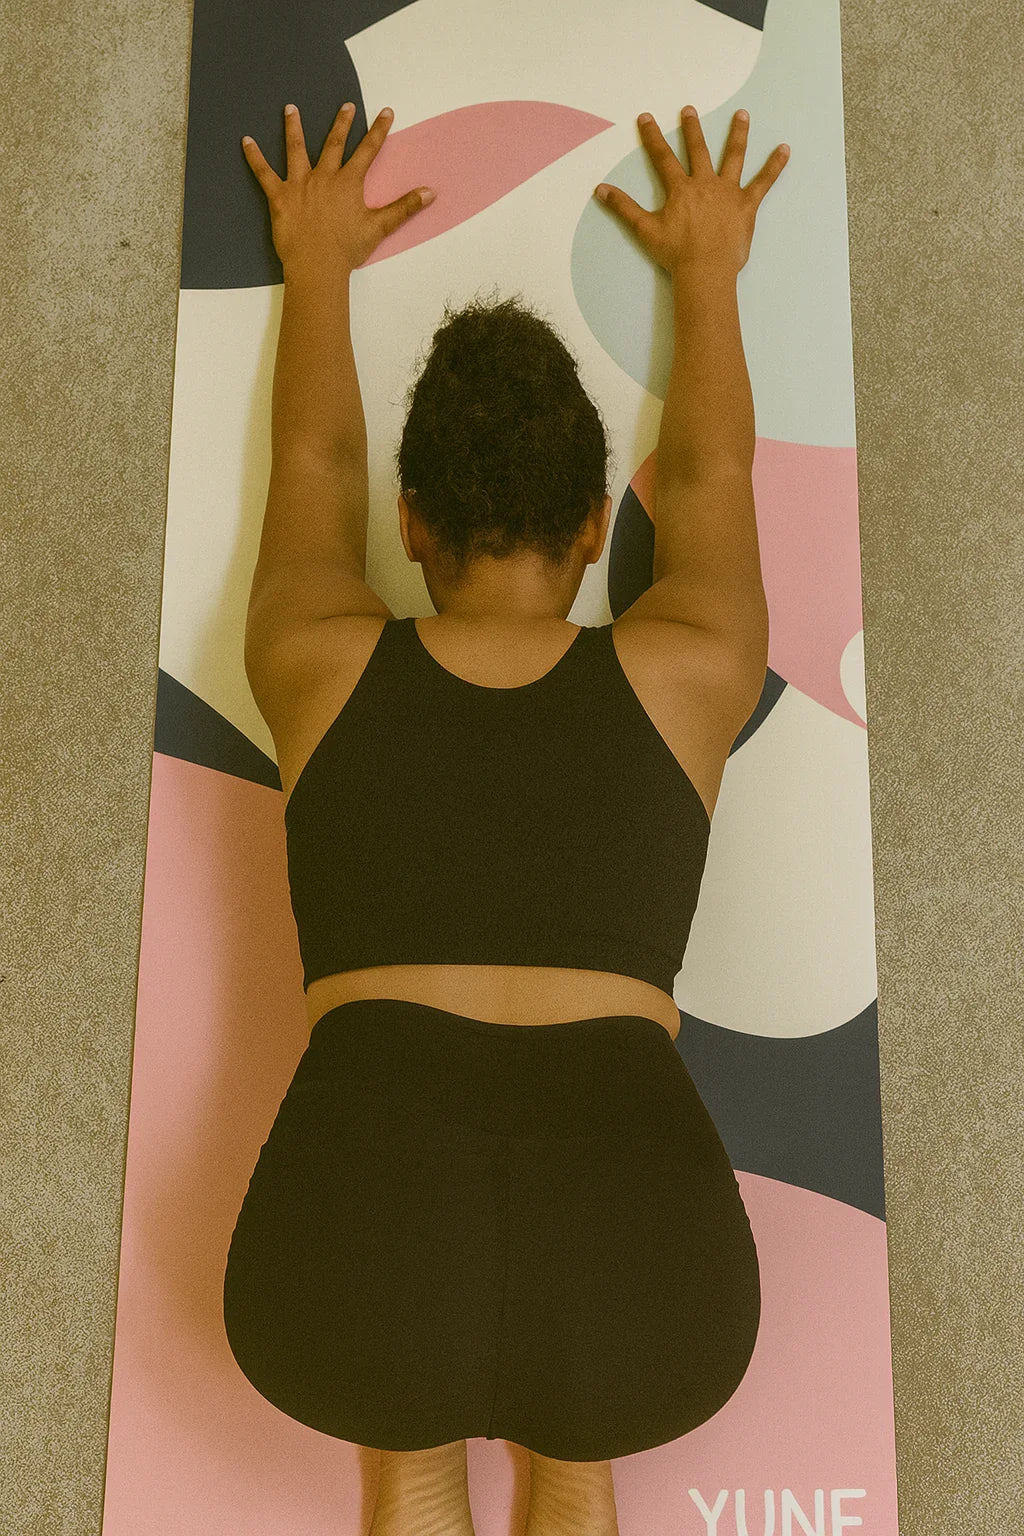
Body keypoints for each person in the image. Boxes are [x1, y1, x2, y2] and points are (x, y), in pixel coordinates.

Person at [226, 99, 790, 1536]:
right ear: (599, 522)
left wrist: (319, 266)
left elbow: (312, 478)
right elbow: (716, 479)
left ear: (413, 523)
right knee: (578, 1443)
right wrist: (709, 275)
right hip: (632, 1243)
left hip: (365, 1227)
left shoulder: (317, 659)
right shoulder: (686, 671)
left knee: (408, 1460)